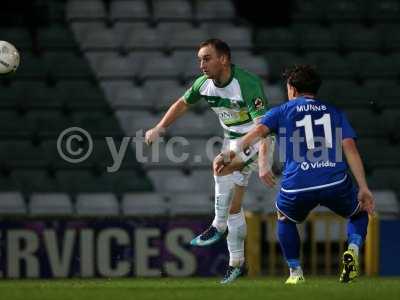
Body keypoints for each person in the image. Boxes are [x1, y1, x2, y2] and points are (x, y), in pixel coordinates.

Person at [218, 64, 375, 284]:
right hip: (334, 180)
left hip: (297, 183)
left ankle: (295, 272)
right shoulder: (334, 112)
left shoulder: (281, 111)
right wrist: (364, 187)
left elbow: (255, 135)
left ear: (292, 88)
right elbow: (350, 148)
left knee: (285, 218)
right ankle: (353, 251)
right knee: (358, 213)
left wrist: (228, 154)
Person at [145, 38, 274, 284]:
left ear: (223, 59)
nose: (201, 65)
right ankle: (237, 264)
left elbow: (263, 129)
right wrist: (160, 127)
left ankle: (217, 224)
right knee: (235, 207)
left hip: (256, 139)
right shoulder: (204, 84)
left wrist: (265, 161)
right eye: (200, 60)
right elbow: (182, 103)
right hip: (233, 141)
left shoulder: (246, 84)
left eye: (207, 58)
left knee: (221, 165)